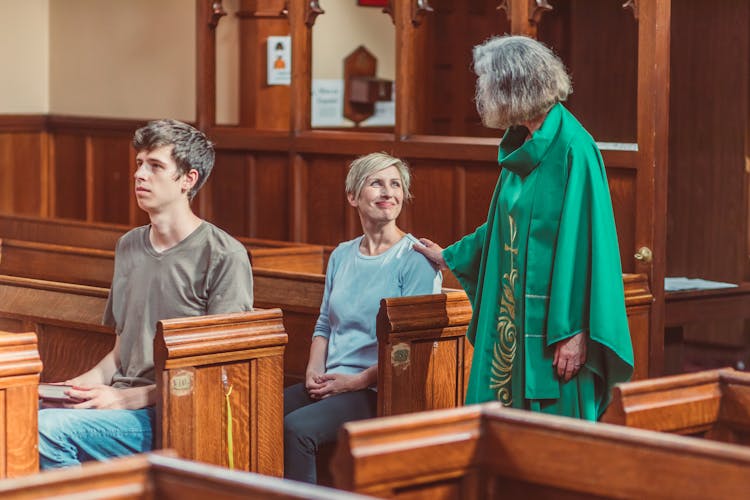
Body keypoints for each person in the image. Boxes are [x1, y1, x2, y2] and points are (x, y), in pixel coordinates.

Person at [414, 36, 633, 420]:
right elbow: (504, 227)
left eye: (486, 84)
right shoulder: (523, 145)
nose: (482, 94)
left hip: (555, 335)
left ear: (513, 86)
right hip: (509, 325)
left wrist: (578, 333)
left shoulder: (573, 149)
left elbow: (590, 247)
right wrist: (449, 256)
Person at [38, 119, 254, 468]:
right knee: (16, 413)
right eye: (139, 163)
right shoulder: (129, 246)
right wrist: (74, 388)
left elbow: (220, 372)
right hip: (121, 403)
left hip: (173, 412)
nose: (140, 174)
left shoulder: (224, 254)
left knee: (44, 431)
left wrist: (128, 399)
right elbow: (122, 353)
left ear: (188, 179)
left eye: (155, 166)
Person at [284, 152, 442, 483]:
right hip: (332, 379)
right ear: (353, 196)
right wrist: (314, 370)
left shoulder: (414, 259)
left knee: (296, 429)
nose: (389, 192)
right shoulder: (342, 255)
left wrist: (356, 381)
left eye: (395, 184)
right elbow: (324, 324)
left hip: (379, 389)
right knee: (259, 409)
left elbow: (409, 350)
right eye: (376, 183)